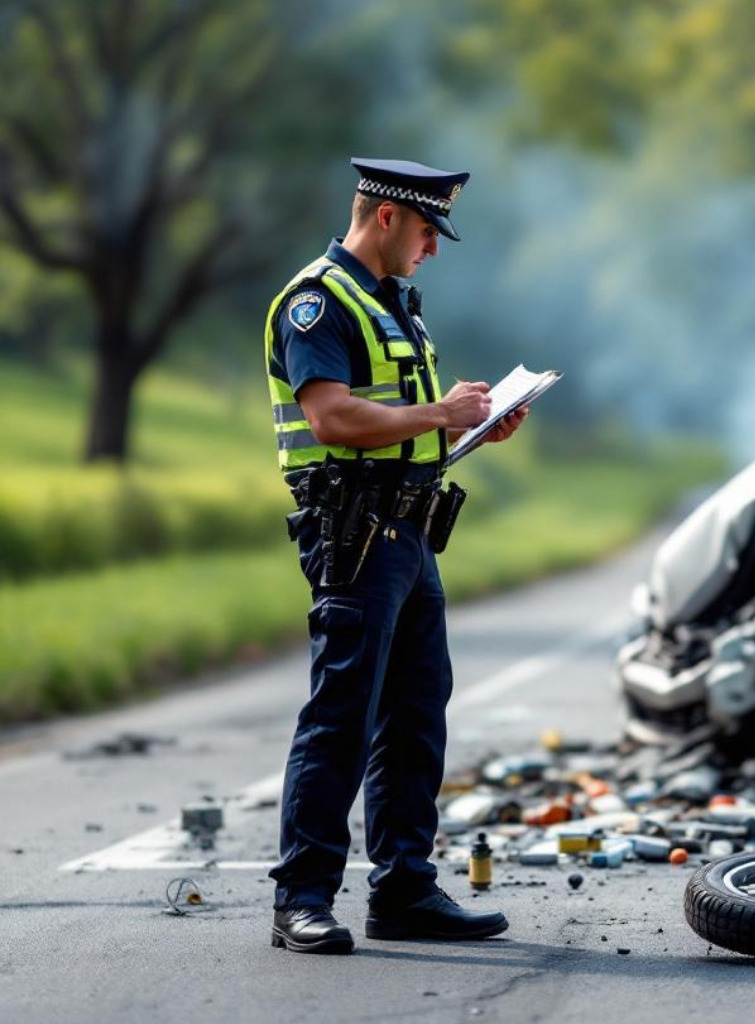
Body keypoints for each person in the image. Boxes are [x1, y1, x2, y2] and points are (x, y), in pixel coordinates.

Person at [262, 157, 527, 954]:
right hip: (353, 533)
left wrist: (466, 426)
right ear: (385, 217)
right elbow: (336, 420)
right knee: (341, 713)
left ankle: (404, 888)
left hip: (408, 531)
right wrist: (438, 413)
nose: (433, 249)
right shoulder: (317, 304)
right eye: (425, 230)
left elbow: (401, 425)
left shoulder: (393, 306)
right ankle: (301, 898)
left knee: (415, 714)